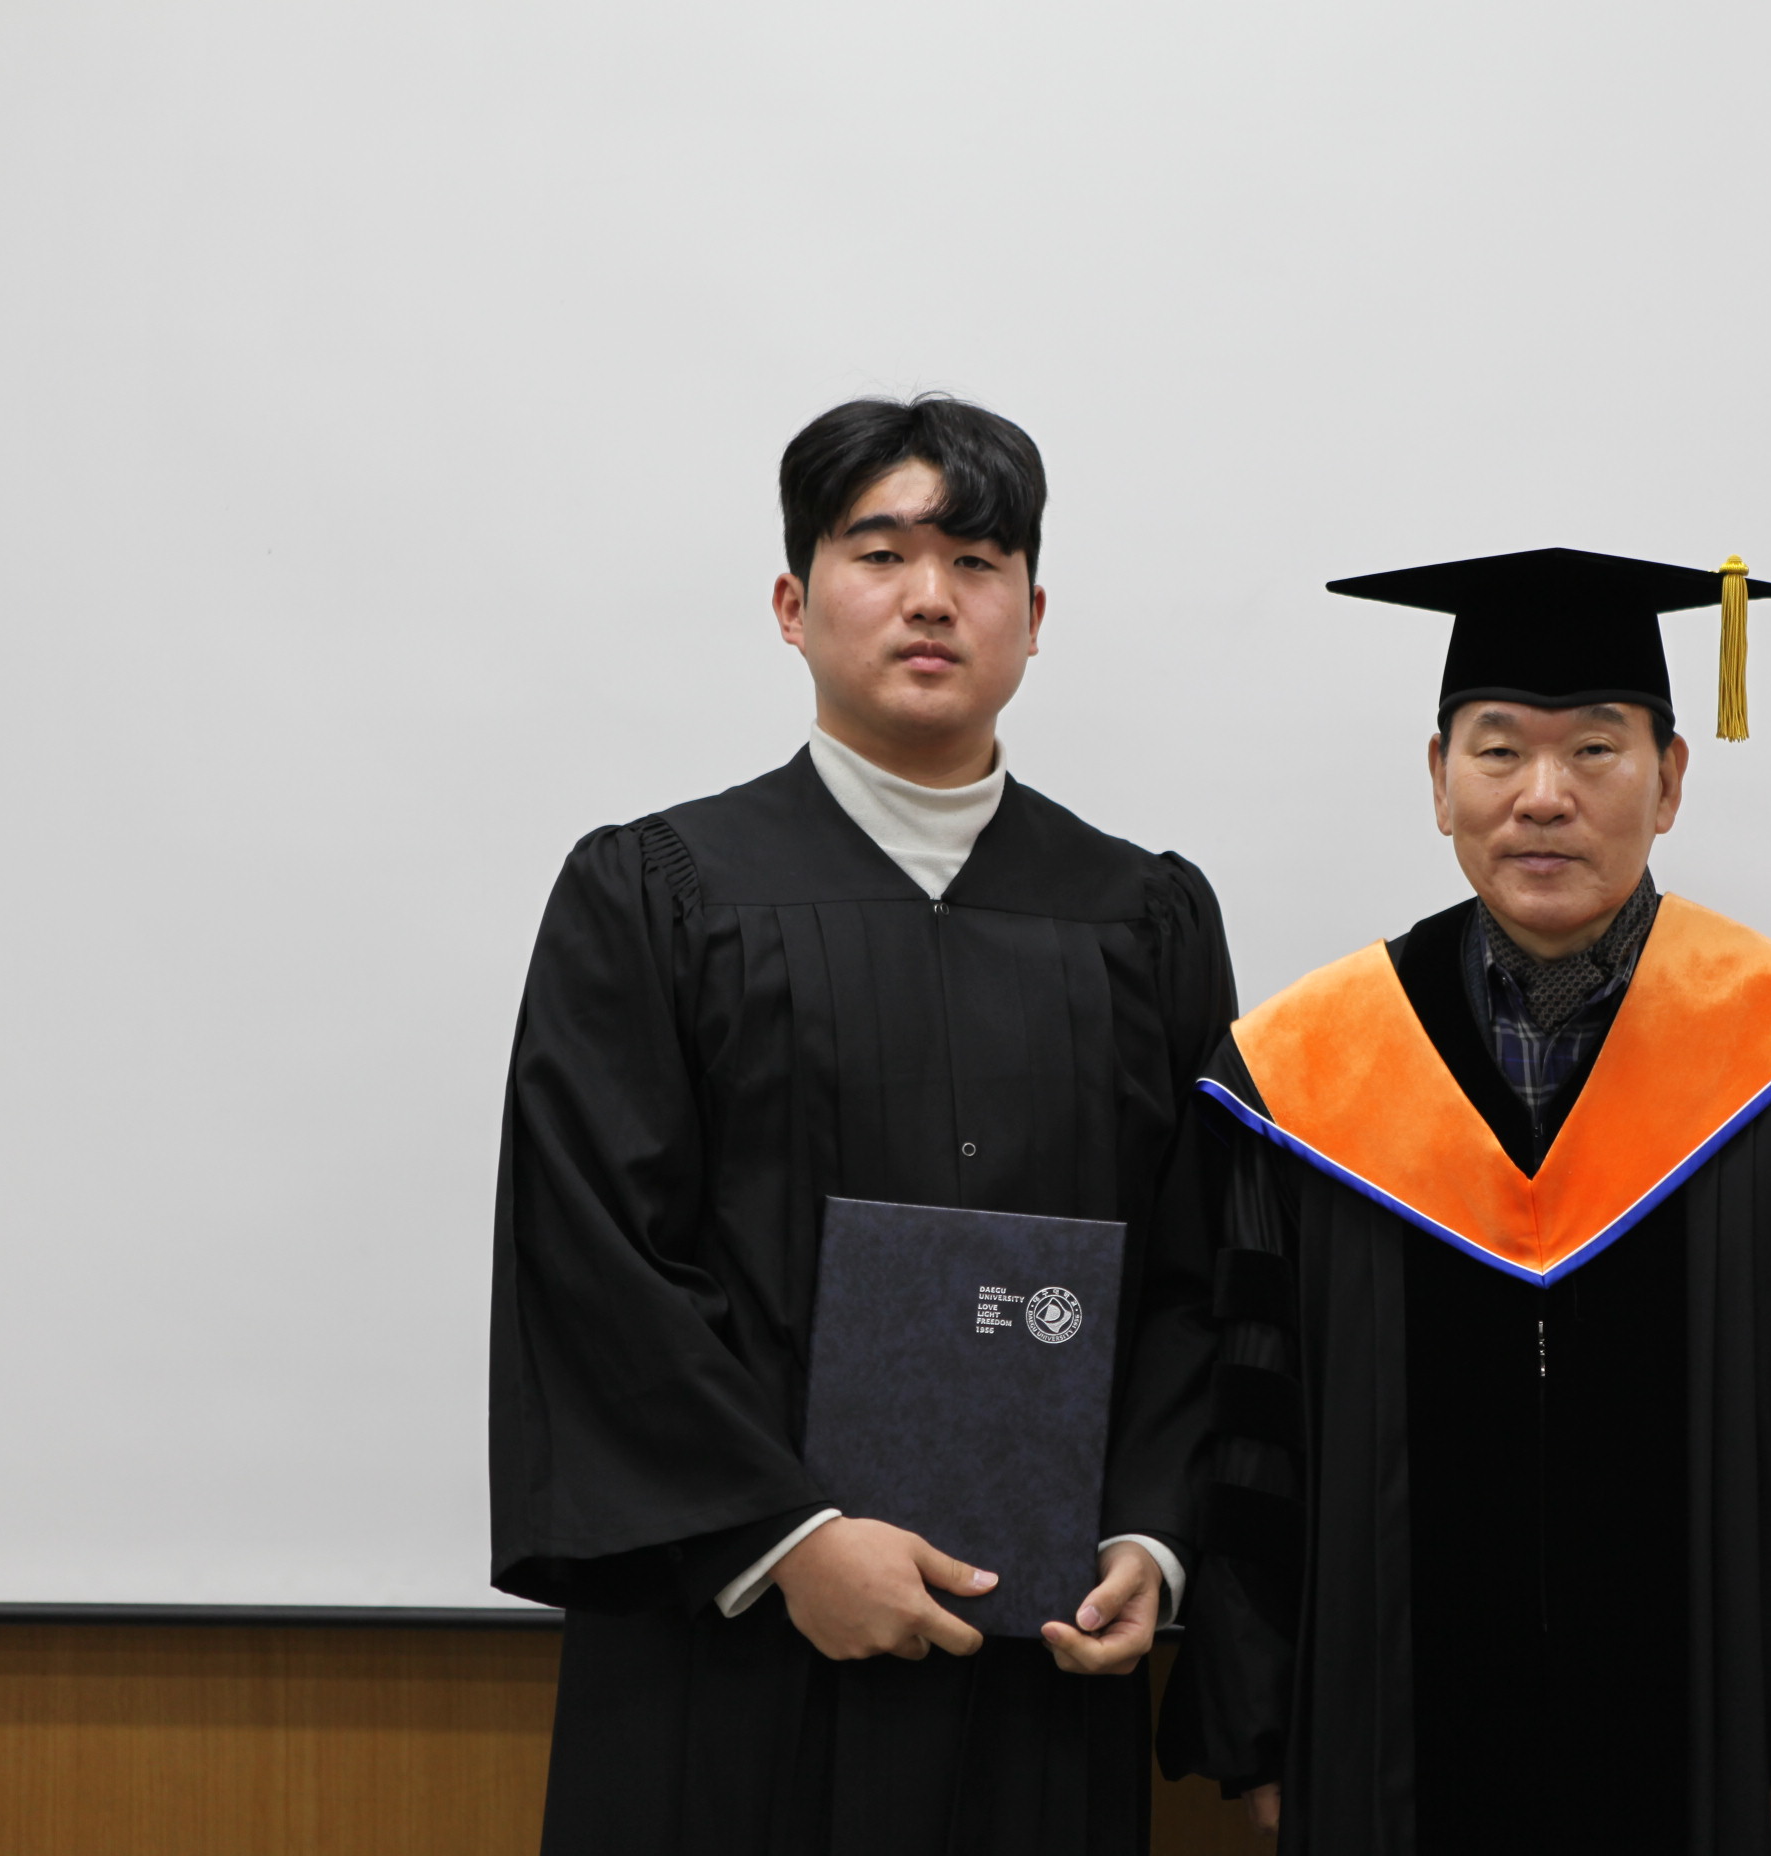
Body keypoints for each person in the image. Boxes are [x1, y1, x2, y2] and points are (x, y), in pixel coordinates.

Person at [1160, 548, 1771, 1855]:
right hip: (1383, 1755)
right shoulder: (1301, 1079)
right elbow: (1246, 1434)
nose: (1543, 796)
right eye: (1499, 751)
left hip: (1719, 1748)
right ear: (1438, 780)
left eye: (1596, 752)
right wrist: (1263, 1719)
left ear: (1670, 781)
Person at [489, 394, 1234, 1854]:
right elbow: (594, 1262)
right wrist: (787, 1542)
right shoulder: (656, 895)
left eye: (976, 561)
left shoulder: (1142, 919)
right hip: (730, 1658)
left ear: (1034, 615)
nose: (929, 597)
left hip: (1038, 1657)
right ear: (794, 603)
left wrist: (1151, 1536)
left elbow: (1202, 1266)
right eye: (880, 553)